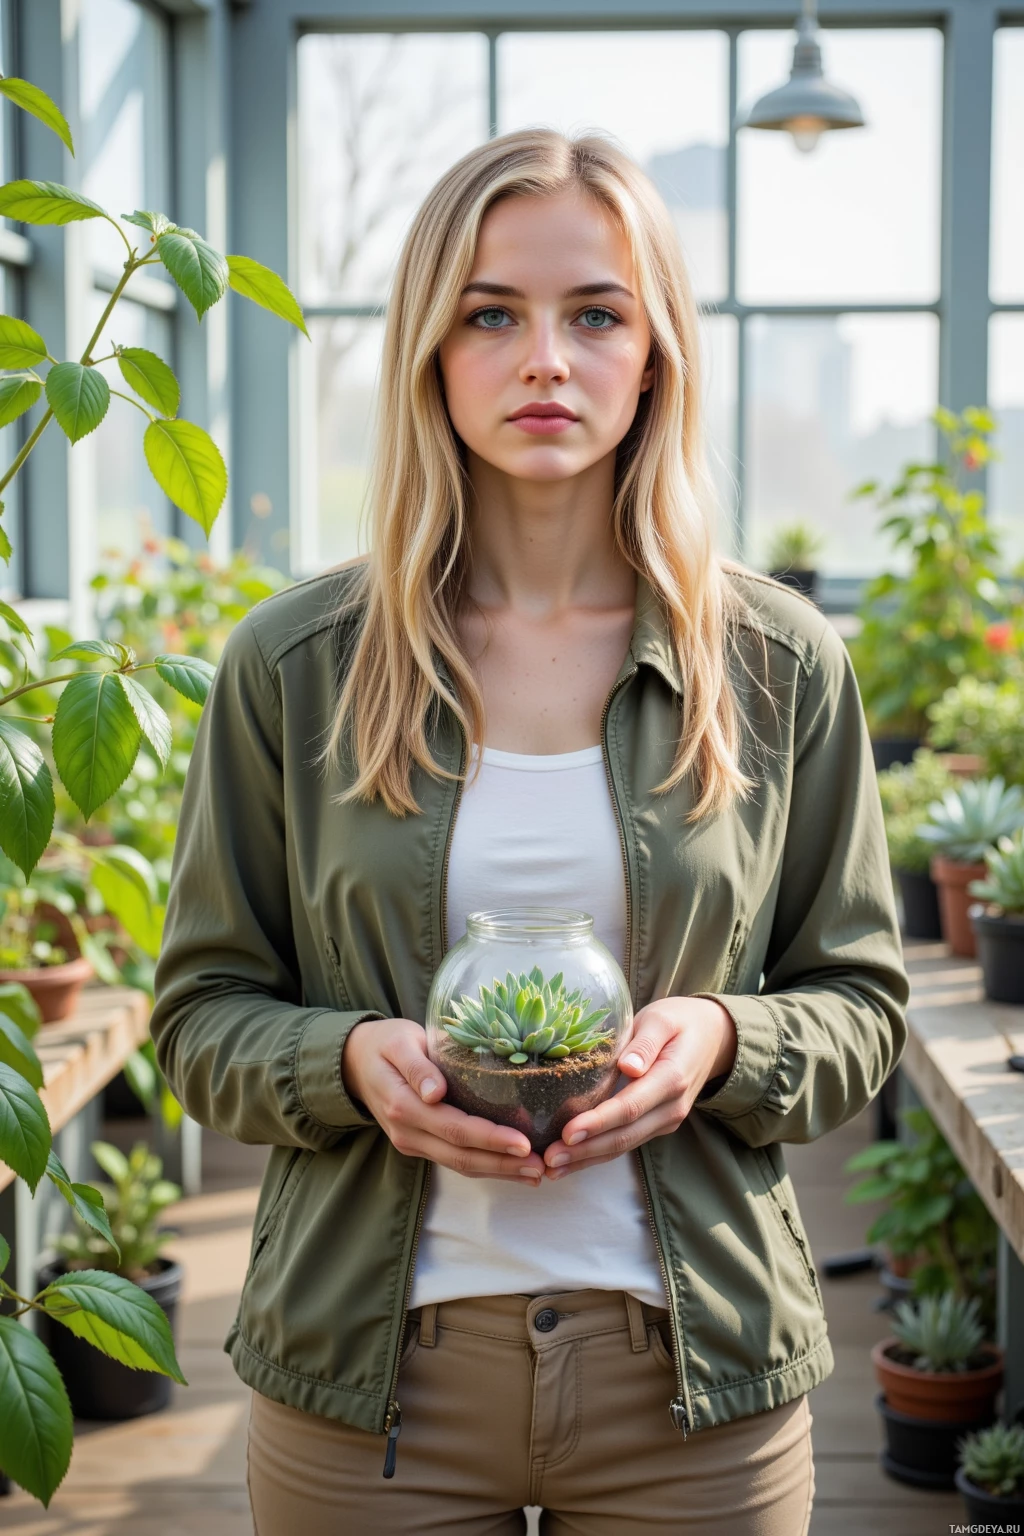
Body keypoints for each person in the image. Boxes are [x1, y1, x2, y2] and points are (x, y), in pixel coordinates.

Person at [149, 128, 909, 1535]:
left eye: (596, 314)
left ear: (657, 351)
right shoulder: (296, 665)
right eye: (492, 313)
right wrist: (348, 1060)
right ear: (431, 351)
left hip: (696, 1386)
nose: (546, 360)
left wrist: (728, 1042)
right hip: (370, 1395)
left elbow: (861, 1002)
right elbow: (199, 1017)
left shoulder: (780, 665)